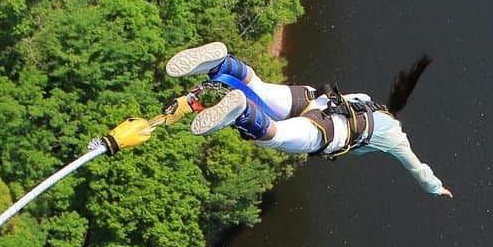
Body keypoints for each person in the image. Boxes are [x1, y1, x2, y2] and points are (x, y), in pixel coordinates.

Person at [165, 42, 453, 197]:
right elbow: (418, 169)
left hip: (314, 99)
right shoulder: (396, 138)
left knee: (262, 89)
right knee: (274, 135)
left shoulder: (367, 100)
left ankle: (223, 64)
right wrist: (436, 188)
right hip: (329, 131)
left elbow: (339, 103)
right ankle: (241, 113)